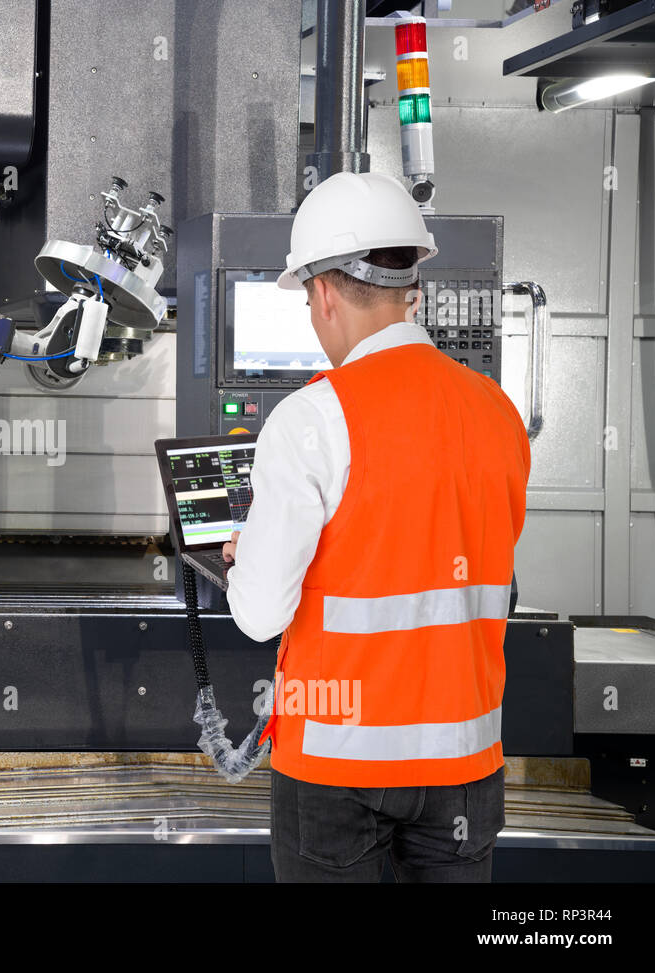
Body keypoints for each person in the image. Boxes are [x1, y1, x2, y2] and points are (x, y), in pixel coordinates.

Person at [223, 171, 531, 882]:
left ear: (325, 294)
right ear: (409, 285)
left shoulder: (311, 417)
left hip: (339, 765)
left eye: (307, 299)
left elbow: (261, 616)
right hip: (463, 760)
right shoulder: (498, 411)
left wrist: (250, 559)